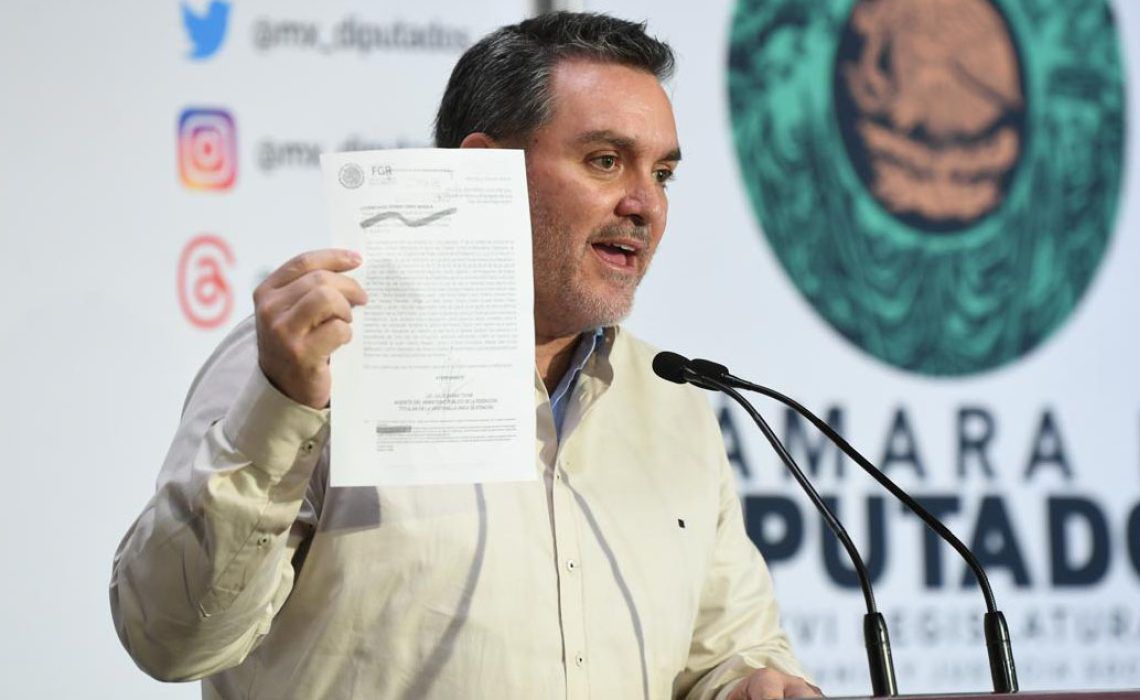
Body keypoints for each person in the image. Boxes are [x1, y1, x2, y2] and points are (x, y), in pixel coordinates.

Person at [111, 12, 820, 700]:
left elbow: (727, 651)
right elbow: (171, 640)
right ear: (486, 170)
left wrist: (751, 683)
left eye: (662, 173)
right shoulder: (313, 364)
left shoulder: (673, 400)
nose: (646, 205)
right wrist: (283, 406)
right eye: (605, 161)